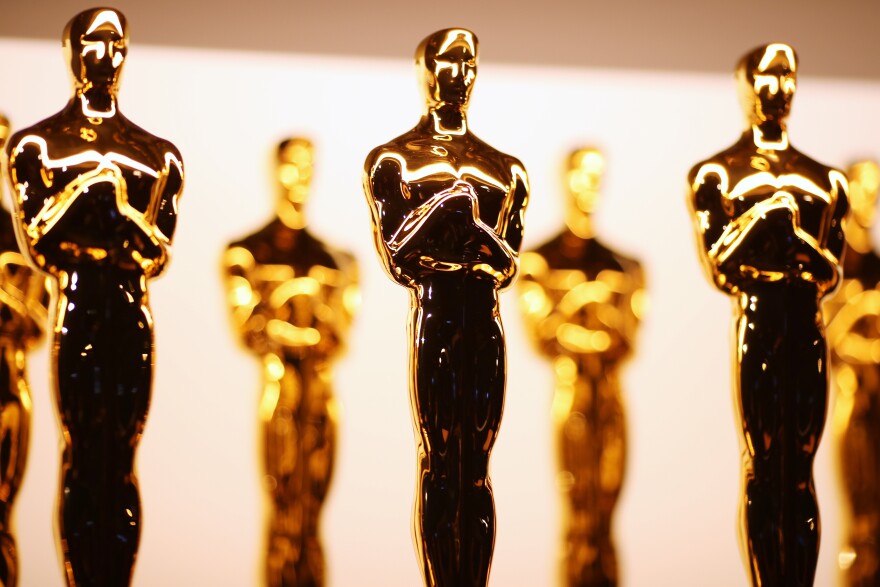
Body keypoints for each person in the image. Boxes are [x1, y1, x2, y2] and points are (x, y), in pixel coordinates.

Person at [4, 9, 183, 585]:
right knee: (82, 457)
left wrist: (114, 212)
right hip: (77, 309)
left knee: (121, 463)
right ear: (72, 51)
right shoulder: (38, 145)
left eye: (117, 43)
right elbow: (40, 244)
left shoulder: (158, 154)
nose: (108, 55)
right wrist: (87, 193)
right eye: (95, 42)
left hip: (131, 314)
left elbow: (157, 253)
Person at [363, 28, 529, 587]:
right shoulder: (395, 160)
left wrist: (469, 228)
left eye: (468, 62)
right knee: (439, 462)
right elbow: (400, 260)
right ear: (424, 69)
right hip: (435, 318)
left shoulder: (506, 169)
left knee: (476, 470)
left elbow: (506, 266)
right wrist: (444, 218)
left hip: (484, 321)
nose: (459, 72)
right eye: (447, 61)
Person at [687, 43, 848, 586]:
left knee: (799, 474)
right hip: (757, 327)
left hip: (807, 330)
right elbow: (721, 270)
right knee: (762, 468)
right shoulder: (717, 175)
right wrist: (761, 227)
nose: (777, 89)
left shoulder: (826, 181)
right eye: (766, 77)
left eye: (786, 77)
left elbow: (831, 274)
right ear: (745, 86)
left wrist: (792, 238)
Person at [224, 138, 358, 587]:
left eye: (307, 167)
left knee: (313, 511)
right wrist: (301, 313)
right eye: (290, 166)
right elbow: (251, 330)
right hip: (280, 390)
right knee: (283, 508)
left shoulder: (338, 261)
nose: (299, 176)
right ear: (273, 170)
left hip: (320, 395)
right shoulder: (247, 252)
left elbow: (337, 336)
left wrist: (289, 317)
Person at [519, 148, 644, 587]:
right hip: (571, 391)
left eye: (596, 177)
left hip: (610, 395)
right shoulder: (540, 261)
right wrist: (588, 304)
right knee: (577, 510)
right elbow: (545, 335)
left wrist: (583, 316)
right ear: (564, 180)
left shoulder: (625, 266)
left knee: (606, 510)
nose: (588, 186)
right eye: (580, 176)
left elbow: (627, 340)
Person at [0, 114, 50, 587]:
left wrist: (12, 305)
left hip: (11, 384)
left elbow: (38, 323)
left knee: (3, 510)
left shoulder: (23, 239)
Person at [825, 161, 880, 587]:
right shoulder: (833, 270)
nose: (870, 200)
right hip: (851, 401)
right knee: (858, 516)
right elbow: (831, 339)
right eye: (863, 189)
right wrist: (860, 310)